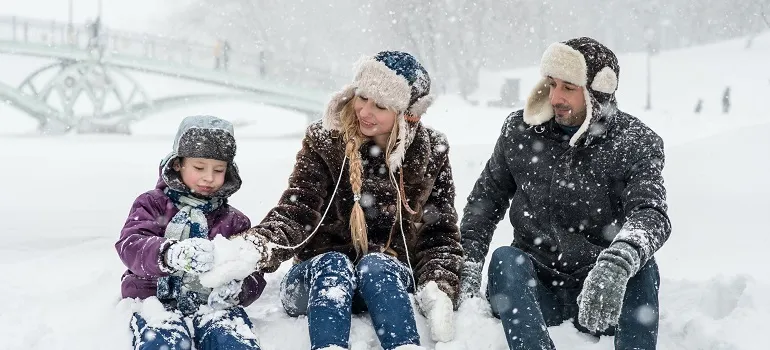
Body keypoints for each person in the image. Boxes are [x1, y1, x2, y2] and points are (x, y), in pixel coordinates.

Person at [237, 51, 464, 350]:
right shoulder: (324, 140)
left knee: (378, 265)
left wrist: (439, 286)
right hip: (315, 280)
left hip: (386, 281)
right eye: (362, 97)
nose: (364, 111)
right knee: (334, 265)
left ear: (407, 115)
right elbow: (297, 210)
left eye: (380, 105)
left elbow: (439, 233)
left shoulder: (431, 151)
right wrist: (254, 247)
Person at [459, 37, 671, 350]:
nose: (555, 97)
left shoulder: (635, 142)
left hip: (601, 292)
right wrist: (469, 262)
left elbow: (651, 212)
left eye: (569, 87)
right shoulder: (520, 131)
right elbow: (485, 200)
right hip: (535, 288)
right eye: (551, 83)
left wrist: (617, 261)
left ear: (597, 92)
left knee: (642, 265)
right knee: (505, 259)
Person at [116, 115, 265, 350]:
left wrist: (238, 289)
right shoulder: (152, 204)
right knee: (165, 342)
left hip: (212, 305)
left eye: (218, 170)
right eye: (199, 167)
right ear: (178, 164)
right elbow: (130, 245)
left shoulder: (234, 221)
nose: (209, 177)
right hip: (154, 299)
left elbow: (252, 269)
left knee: (231, 340)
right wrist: (169, 254)